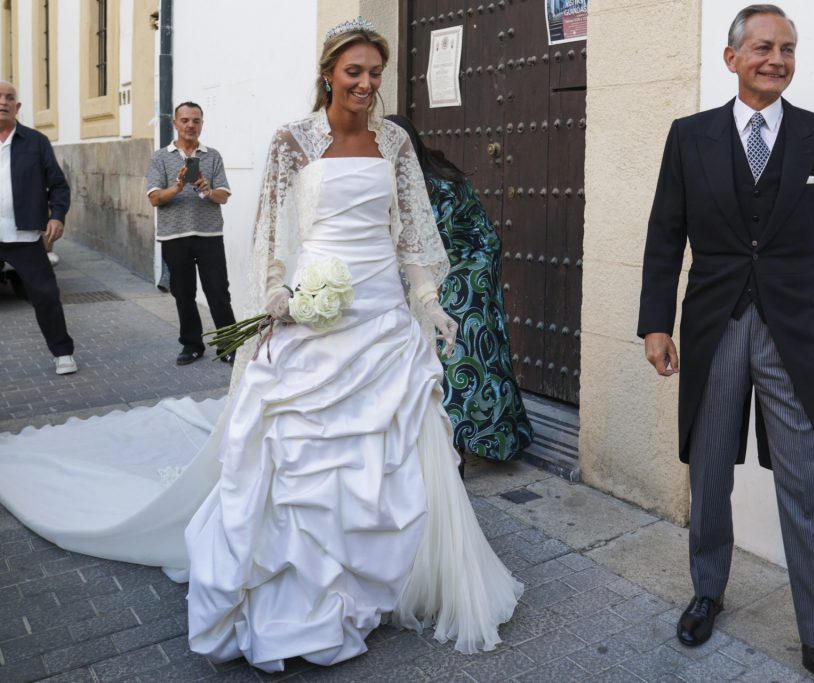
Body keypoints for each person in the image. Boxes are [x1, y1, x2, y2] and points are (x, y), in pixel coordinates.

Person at [0, 19, 521, 674]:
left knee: (395, 447)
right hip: (318, 310)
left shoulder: (393, 143)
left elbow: (412, 232)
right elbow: (272, 233)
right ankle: (304, 589)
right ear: (328, 73)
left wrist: (425, 302)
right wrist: (280, 299)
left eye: (375, 72)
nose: (366, 83)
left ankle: (391, 581)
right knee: (299, 448)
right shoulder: (292, 142)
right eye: (353, 71)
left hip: (382, 319)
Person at [638, 6, 814, 683]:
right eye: (763, 47)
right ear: (732, 58)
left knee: (804, 482)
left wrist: (785, 279)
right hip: (712, 325)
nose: (778, 59)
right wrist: (656, 323)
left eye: (788, 49)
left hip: (789, 331)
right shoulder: (690, 137)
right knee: (708, 473)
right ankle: (707, 589)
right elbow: (664, 232)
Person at [385, 114, 534, 468]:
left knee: (460, 352)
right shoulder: (416, 174)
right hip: (449, 265)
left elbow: (426, 244)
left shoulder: (435, 184)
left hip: (471, 265)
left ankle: (457, 447)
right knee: (463, 350)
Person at [147, 102, 238, 365]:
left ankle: (229, 344)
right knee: (184, 294)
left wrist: (208, 191)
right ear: (175, 124)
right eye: (185, 120)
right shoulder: (160, 157)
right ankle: (192, 345)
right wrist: (177, 187)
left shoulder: (212, 156)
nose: (190, 125)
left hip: (209, 235)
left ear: (202, 124)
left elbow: (224, 196)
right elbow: (154, 198)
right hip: (175, 237)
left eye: (196, 120)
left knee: (218, 292)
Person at [0, 80, 76, 375]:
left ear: (17, 107)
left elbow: (58, 185)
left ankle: (63, 353)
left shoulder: (36, 142)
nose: (3, 102)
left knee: (45, 295)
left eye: (10, 98)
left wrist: (57, 216)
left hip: (25, 234)